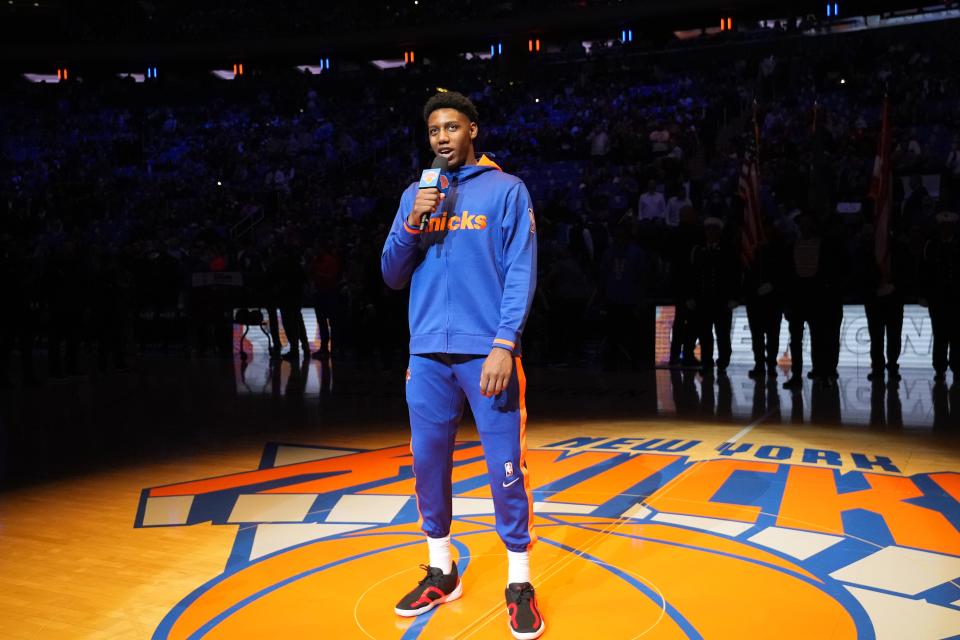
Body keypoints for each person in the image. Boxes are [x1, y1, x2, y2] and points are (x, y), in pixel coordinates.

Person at [381, 91, 544, 640]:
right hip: (427, 353)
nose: (442, 138)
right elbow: (391, 272)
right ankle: (441, 570)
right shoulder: (415, 196)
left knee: (505, 469)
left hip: (486, 353)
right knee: (428, 463)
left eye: (452, 127)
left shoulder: (507, 191)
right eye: (433, 130)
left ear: (473, 130)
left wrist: (505, 343)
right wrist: (413, 223)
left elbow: (520, 270)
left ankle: (519, 582)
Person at [686, 217, 739, 377]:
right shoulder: (698, 251)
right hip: (703, 300)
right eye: (708, 229)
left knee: (723, 333)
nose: (711, 233)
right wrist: (691, 296)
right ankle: (706, 362)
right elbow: (691, 276)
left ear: (720, 232)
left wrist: (734, 297)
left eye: (714, 229)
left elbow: (735, 275)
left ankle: (723, 360)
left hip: (722, 301)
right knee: (704, 334)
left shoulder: (728, 251)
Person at [922, 211, 960, 382]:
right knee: (940, 335)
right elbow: (925, 273)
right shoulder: (932, 246)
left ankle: (957, 367)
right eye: (943, 226)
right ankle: (939, 368)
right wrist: (925, 295)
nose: (946, 229)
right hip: (937, 300)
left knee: (957, 335)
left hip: (956, 300)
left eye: (949, 226)